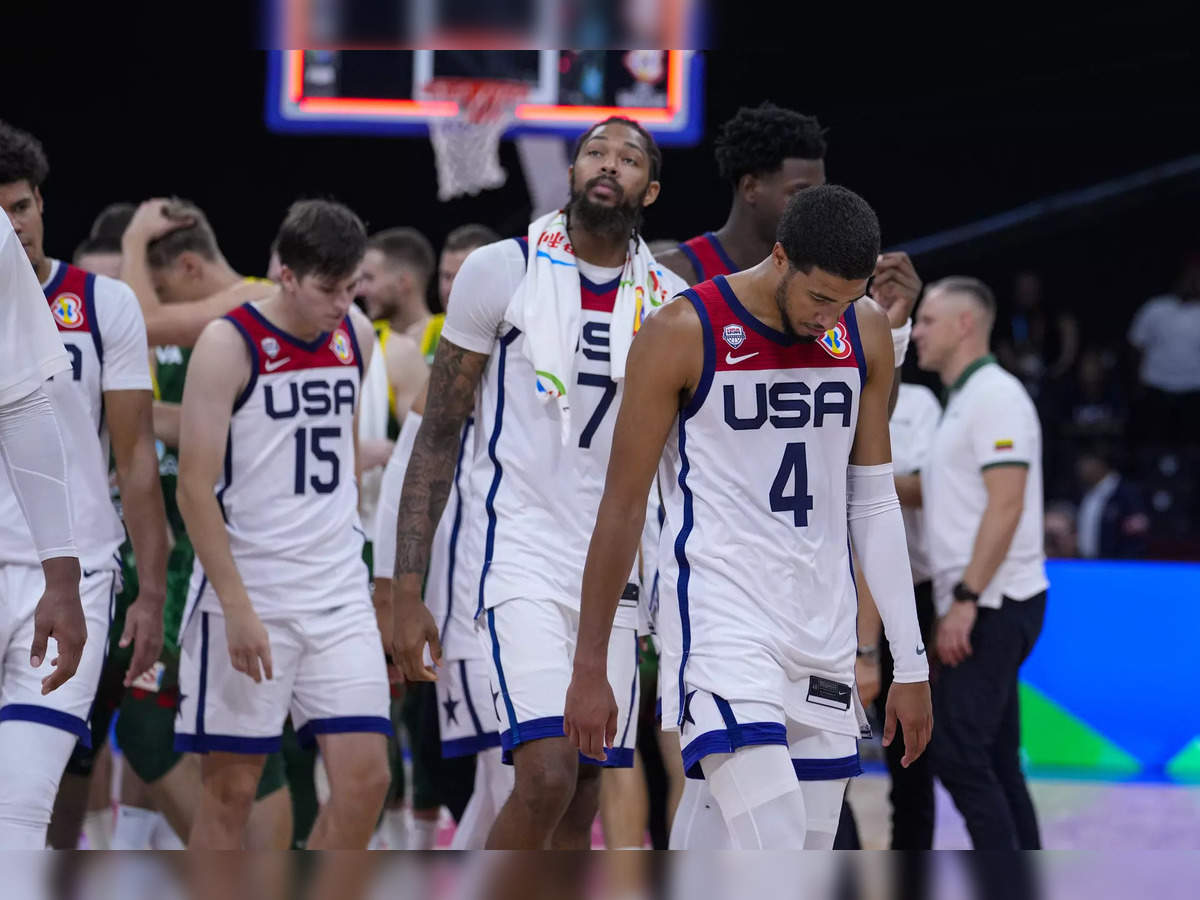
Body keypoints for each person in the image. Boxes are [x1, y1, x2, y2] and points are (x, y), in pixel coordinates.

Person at [564, 184, 932, 850]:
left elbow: (874, 504)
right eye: (820, 298)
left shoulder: (864, 327)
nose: (830, 318)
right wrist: (593, 663)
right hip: (719, 620)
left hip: (820, 623)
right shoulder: (682, 330)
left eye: (846, 301)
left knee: (790, 847)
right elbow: (620, 508)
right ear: (783, 258)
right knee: (778, 844)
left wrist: (910, 664)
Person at [392, 116, 687, 849]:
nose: (607, 163)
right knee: (547, 772)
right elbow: (437, 435)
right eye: (594, 150)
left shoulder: (672, 302)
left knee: (584, 786)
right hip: (517, 555)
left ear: (650, 188)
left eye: (627, 157)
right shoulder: (501, 268)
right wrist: (404, 590)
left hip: (618, 566)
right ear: (572, 172)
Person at [175, 199, 391, 849]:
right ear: (285, 275)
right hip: (251, 591)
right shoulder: (227, 342)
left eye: (352, 286)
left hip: (335, 590)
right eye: (329, 289)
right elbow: (193, 487)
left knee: (366, 782)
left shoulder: (351, 331)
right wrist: (237, 605)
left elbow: (344, 455)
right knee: (231, 792)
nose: (342, 302)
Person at [0, 121, 165, 847]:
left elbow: (135, 458)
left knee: (23, 810)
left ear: (41, 204)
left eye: (20, 208)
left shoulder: (103, 305)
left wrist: (151, 591)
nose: (12, 226)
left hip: (70, 573)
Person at [371, 224, 502, 851]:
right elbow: (403, 465)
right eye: (447, 276)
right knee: (476, 771)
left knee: (526, 776)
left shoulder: (530, 342)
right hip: (447, 587)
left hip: (514, 580)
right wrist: (390, 582)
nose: (455, 288)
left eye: (464, 275)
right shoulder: (438, 352)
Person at [911, 275, 1049, 850]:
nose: (916, 332)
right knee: (994, 759)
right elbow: (937, 489)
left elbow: (1007, 502)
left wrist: (965, 600)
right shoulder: (962, 400)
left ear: (965, 324)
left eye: (926, 321)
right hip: (986, 600)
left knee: (961, 756)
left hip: (992, 602)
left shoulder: (995, 396)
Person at [857, 381, 941, 849]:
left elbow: (929, 487)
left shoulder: (920, 403)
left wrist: (861, 477)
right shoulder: (813, 374)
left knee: (910, 752)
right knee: (822, 753)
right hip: (830, 593)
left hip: (909, 592)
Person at [1126, 255, 1200, 448]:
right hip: (1156, 388)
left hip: (1193, 390)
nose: (1192, 282)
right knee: (1154, 446)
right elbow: (1135, 346)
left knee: (1190, 448)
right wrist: (1136, 382)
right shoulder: (1155, 309)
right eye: (1189, 277)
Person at [1076, 444, 1149, 559]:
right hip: (1086, 563)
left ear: (1101, 464)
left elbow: (1136, 534)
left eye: (1087, 463)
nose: (1081, 468)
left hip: (1114, 566)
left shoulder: (1126, 493)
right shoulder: (1086, 492)